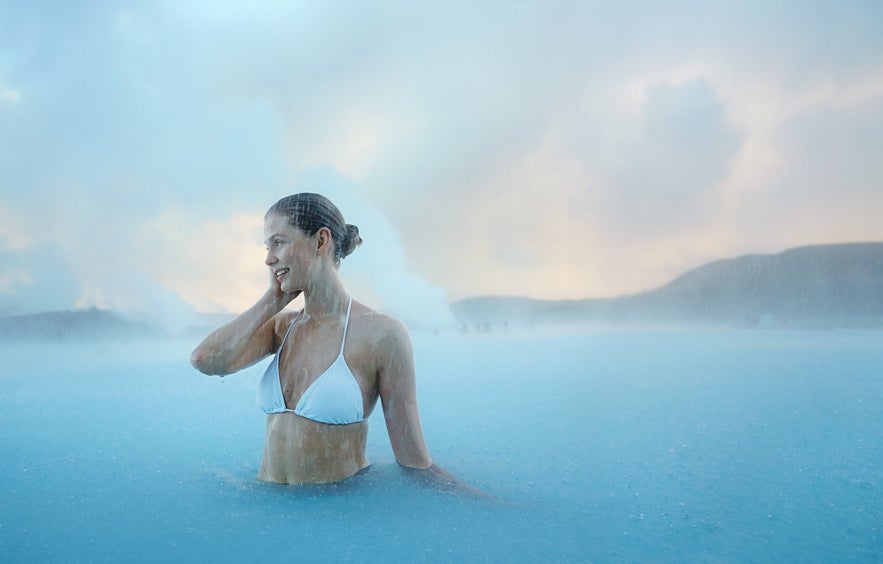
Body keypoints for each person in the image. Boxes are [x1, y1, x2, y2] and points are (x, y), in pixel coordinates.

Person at [190, 193, 468, 490]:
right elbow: (205, 360)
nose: (268, 258)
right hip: (272, 515)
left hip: (337, 517)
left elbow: (415, 462)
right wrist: (272, 300)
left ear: (321, 241)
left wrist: (486, 507)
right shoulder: (282, 328)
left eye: (279, 242)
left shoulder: (382, 334)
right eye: (267, 246)